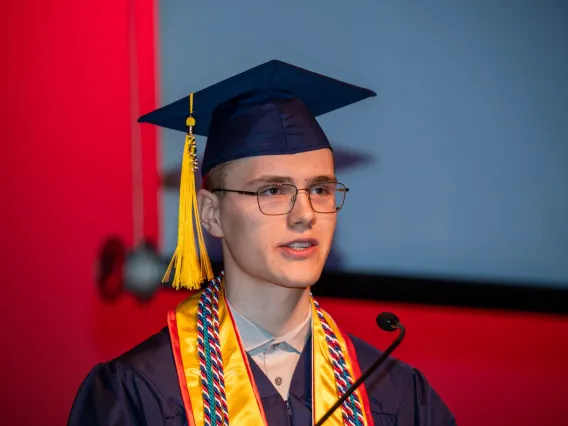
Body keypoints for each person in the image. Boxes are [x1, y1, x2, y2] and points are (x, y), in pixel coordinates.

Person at [68, 60, 456, 425]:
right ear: (211, 214)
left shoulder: (395, 393)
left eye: (320, 189)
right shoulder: (139, 393)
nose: (305, 213)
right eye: (272, 190)